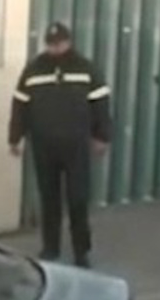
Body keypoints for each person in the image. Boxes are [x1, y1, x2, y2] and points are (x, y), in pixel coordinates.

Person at [8, 22, 113, 266]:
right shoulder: (34, 70)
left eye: (60, 43)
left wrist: (102, 136)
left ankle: (81, 250)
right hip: (44, 144)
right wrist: (15, 137)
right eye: (51, 44)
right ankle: (50, 247)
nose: (56, 47)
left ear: (68, 41)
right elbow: (20, 105)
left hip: (76, 144)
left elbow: (101, 105)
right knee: (49, 198)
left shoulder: (85, 68)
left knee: (78, 198)